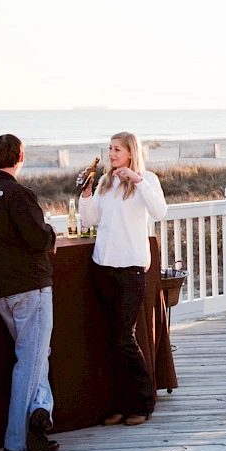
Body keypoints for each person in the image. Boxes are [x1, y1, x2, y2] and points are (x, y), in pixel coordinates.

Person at [0, 134, 59, 451]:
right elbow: (37, 238)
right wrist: (52, 234)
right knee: (30, 359)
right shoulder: (20, 194)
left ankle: (41, 411)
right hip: (30, 286)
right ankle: (16, 440)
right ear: (20, 155)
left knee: (36, 354)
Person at [80, 132, 167, 427]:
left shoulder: (147, 180)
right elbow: (91, 221)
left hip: (130, 267)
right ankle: (119, 403)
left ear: (130, 152)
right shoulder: (106, 182)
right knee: (111, 340)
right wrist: (86, 193)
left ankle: (144, 401)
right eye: (109, 149)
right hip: (103, 265)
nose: (111, 153)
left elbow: (160, 211)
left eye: (117, 149)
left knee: (124, 338)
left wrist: (138, 180)